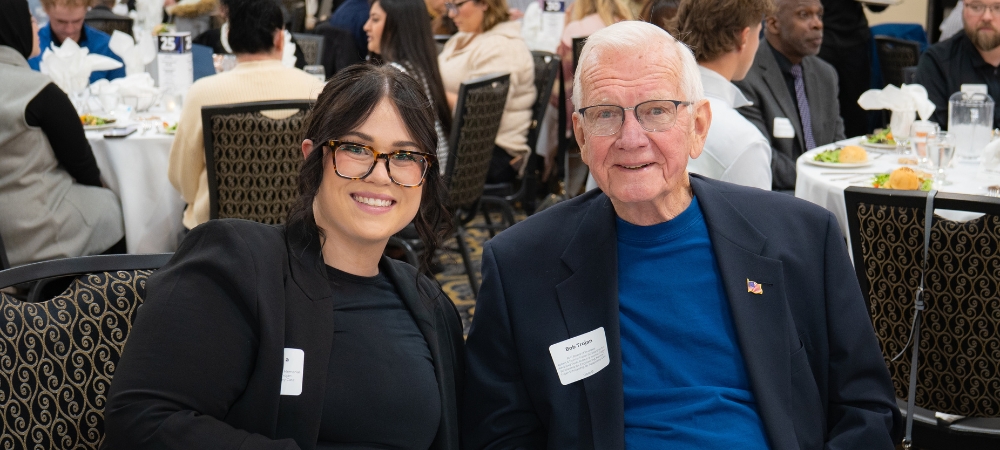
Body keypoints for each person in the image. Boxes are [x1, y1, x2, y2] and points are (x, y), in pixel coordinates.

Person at [462, 21, 902, 449]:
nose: (630, 138)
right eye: (605, 114)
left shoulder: (803, 238)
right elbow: (498, 433)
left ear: (698, 127)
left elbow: (866, 409)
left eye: (656, 110)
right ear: (580, 133)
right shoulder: (521, 265)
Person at [104, 64, 465, 449]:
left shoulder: (431, 305)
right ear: (313, 156)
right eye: (356, 148)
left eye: (405, 155)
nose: (381, 174)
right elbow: (141, 422)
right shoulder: (237, 264)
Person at [168, 0, 324, 231]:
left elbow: (183, 181)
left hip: (219, 236)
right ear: (280, 38)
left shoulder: (202, 93)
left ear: (229, 38)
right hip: (298, 232)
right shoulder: (318, 91)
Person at [0, 0, 124, 268]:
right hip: (33, 230)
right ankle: (108, 298)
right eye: (31, 20)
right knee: (113, 206)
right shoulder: (37, 91)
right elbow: (84, 167)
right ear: (17, 26)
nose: (35, 26)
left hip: (6, 227)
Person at [734, 0, 845, 191]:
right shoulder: (745, 75)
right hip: (778, 198)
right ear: (773, 23)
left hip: (826, 192)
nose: (817, 24)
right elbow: (762, 158)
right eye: (804, 15)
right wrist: (816, 181)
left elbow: (837, 145)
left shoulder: (825, 74)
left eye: (819, 15)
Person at [674, 0, 772, 190]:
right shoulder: (746, 142)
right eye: (758, 34)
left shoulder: (645, 103)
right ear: (744, 37)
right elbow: (756, 219)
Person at [438, 0, 535, 184]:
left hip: (490, 152)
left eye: (457, 5)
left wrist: (433, 92)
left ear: (484, 3)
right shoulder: (461, 38)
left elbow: (480, 113)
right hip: (462, 142)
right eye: (449, 6)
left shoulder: (502, 46)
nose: (451, 14)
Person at [364, 0, 452, 170]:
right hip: (435, 171)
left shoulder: (394, 78)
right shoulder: (418, 67)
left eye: (375, 20)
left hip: (420, 177)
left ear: (397, 27)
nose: (366, 27)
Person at [915, 0, 1000, 129]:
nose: (987, 17)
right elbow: (930, 138)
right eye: (976, 7)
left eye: (998, 8)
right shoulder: (937, 62)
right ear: (963, 8)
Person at [817, 0, 887, 138]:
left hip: (855, 42)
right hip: (820, 41)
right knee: (820, 113)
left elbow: (876, 6)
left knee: (856, 116)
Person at [27, 0, 126, 83]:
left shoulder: (107, 47)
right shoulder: (31, 47)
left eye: (77, 21)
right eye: (61, 21)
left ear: (86, 11)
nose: (69, 29)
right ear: (46, 10)